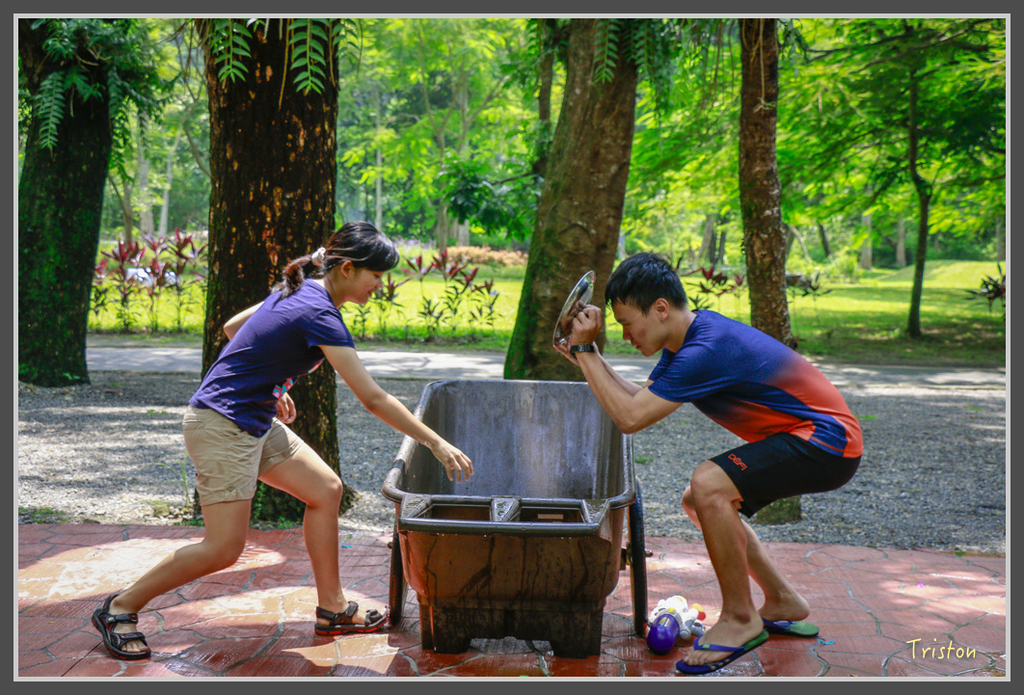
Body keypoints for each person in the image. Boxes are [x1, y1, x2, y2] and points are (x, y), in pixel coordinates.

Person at [92, 221, 474, 661]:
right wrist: (434, 442)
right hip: (222, 426)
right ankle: (119, 607)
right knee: (223, 548)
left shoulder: (301, 290)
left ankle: (333, 609)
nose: (379, 285)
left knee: (325, 490)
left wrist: (273, 383)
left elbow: (234, 328)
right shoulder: (319, 311)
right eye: (376, 275)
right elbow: (372, 398)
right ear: (347, 268)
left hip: (250, 420)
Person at [556, 252, 861, 675]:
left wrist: (586, 350)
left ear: (660, 308)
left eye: (627, 323)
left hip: (828, 442)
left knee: (709, 483)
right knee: (697, 500)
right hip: (821, 439)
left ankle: (740, 617)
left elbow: (630, 419)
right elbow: (638, 399)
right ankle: (782, 599)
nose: (625, 335)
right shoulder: (688, 340)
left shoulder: (705, 349)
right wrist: (587, 356)